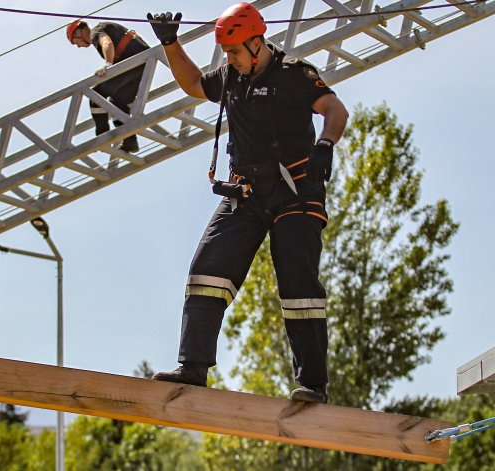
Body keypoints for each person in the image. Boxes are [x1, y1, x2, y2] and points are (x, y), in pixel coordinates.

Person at [146, 3, 348, 404]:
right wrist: (170, 44)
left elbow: (334, 108)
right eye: (226, 54)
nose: (230, 60)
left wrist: (325, 143)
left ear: (257, 43)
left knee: (297, 282)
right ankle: (193, 367)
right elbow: (191, 84)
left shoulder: (295, 75)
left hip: (296, 190)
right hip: (247, 193)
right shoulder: (230, 76)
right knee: (207, 271)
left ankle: (313, 385)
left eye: (235, 51)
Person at [66, 19, 149, 153]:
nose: (78, 46)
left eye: (75, 41)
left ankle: (102, 136)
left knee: (96, 96)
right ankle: (130, 141)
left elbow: (107, 42)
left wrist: (108, 64)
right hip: (142, 64)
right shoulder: (103, 28)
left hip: (133, 62)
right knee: (118, 103)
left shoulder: (95, 32)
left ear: (79, 31)